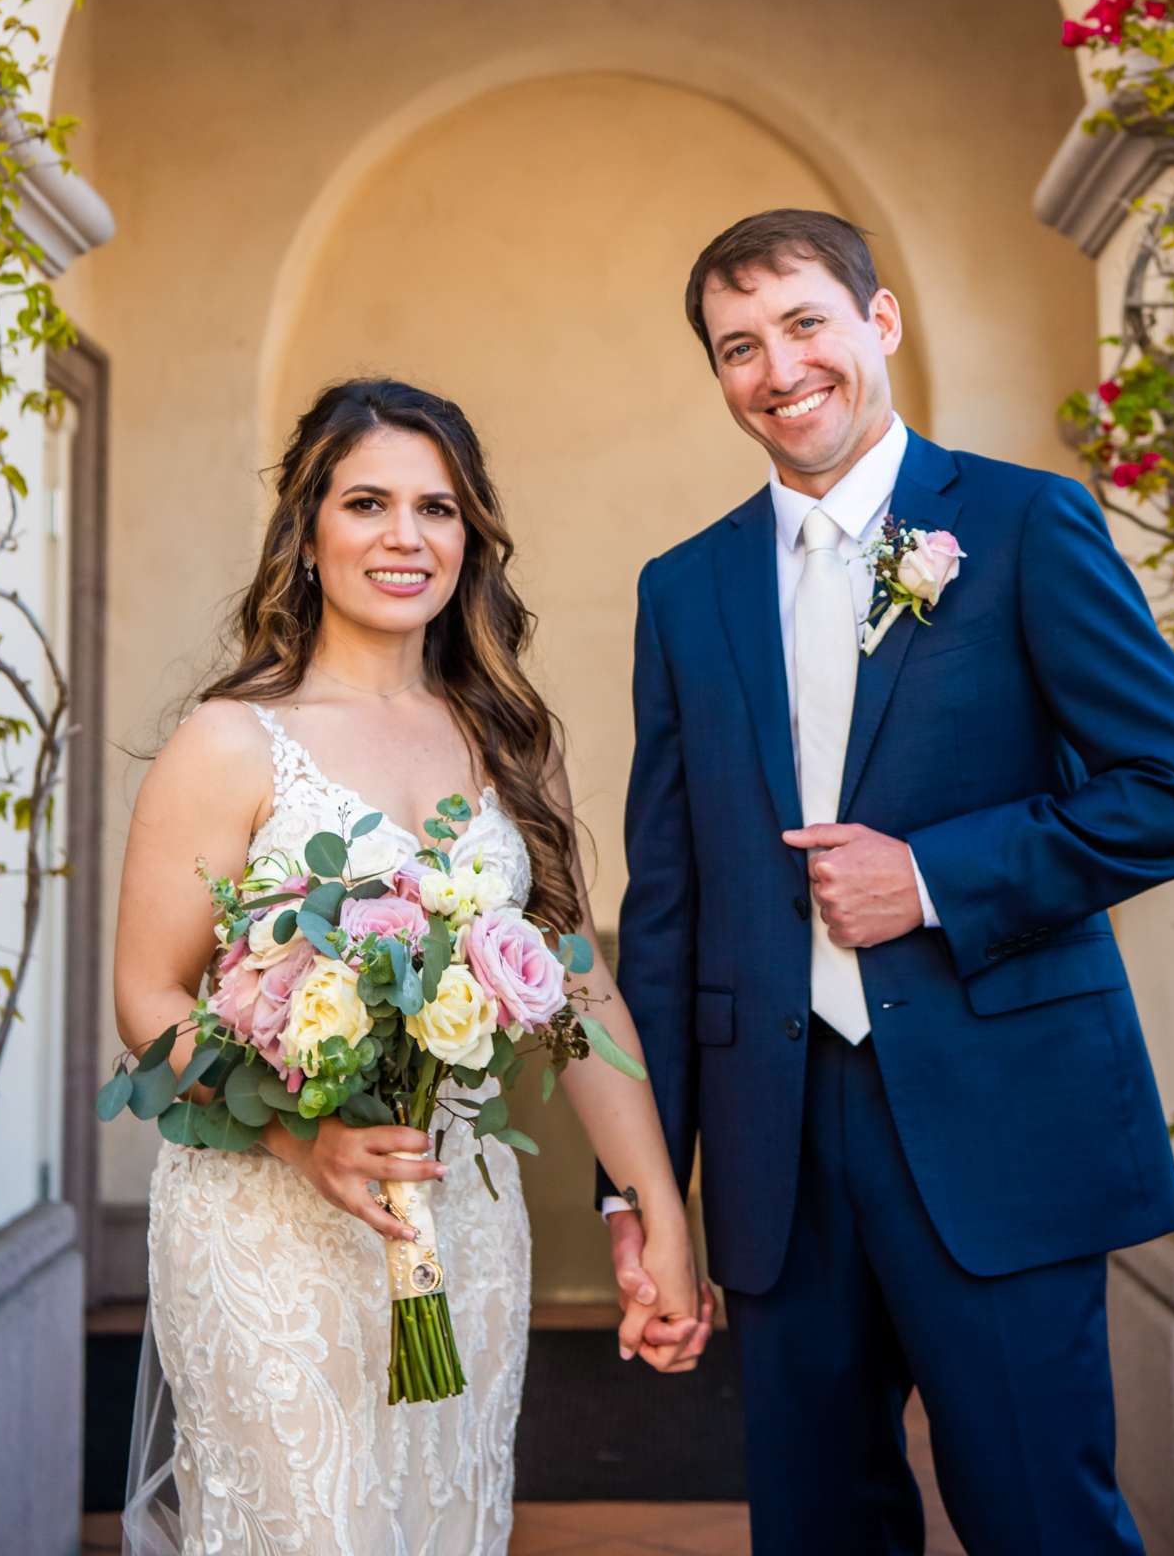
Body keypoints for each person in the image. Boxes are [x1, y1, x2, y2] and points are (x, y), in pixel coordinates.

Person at [602, 209, 1174, 1555]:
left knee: (1038, 1520)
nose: (777, 371)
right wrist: (641, 1192)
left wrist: (934, 879)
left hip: (1000, 1118)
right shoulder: (683, 589)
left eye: (802, 325)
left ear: (876, 323)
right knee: (816, 1529)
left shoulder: (1021, 524)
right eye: (736, 347)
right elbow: (665, 914)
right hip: (776, 1146)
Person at [112, 377, 711, 1556]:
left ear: (471, 537)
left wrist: (660, 1211)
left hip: (465, 1216)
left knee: (444, 1524)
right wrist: (300, 1135)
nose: (405, 537)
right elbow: (147, 1001)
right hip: (271, 1223)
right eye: (368, 503)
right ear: (308, 530)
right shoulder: (231, 740)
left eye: (437, 509)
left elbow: (573, 991)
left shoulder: (504, 739)